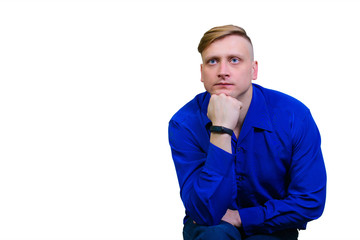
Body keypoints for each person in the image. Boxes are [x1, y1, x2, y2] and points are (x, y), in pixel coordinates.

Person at [168, 25, 326, 240]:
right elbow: (204, 212)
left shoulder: (294, 116)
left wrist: (241, 217)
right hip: (210, 228)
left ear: (253, 70)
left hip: (273, 226)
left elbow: (310, 201)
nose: (222, 71)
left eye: (234, 60)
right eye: (212, 61)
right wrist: (220, 131)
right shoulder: (184, 123)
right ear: (202, 73)